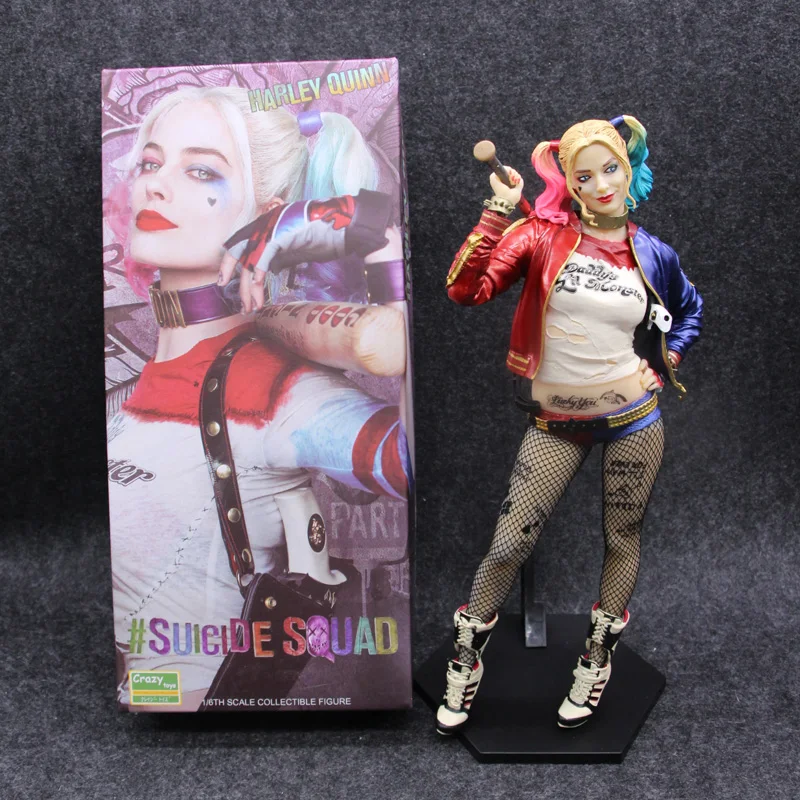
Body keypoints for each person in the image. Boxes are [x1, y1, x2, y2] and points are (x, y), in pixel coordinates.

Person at [106, 87, 409, 711]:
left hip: (199, 705)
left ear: (268, 217)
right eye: (150, 162)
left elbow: (416, 465)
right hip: (139, 710)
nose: (155, 185)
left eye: (201, 171)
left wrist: (377, 242)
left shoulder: (275, 390)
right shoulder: (140, 386)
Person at [436, 117, 703, 733]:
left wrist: (667, 360)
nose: (601, 184)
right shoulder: (540, 236)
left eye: (611, 169)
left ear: (630, 171)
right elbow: (465, 290)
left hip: (634, 418)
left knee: (622, 537)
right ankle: (465, 659)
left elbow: (689, 310)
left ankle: (596, 660)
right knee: (509, 544)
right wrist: (497, 214)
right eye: (584, 176)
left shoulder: (654, 253)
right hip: (557, 422)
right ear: (570, 185)